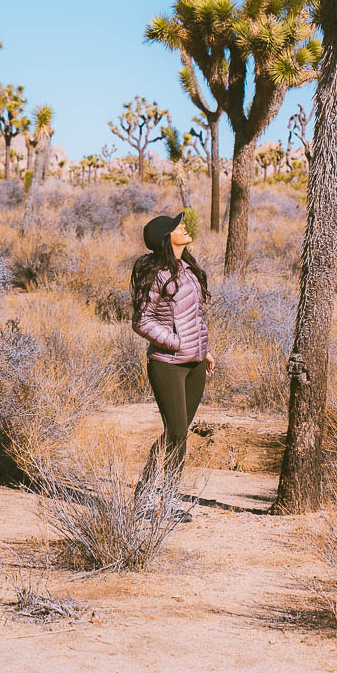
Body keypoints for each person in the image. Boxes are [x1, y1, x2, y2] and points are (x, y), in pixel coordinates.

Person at [131, 211, 214, 517]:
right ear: (167, 239)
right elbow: (141, 321)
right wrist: (176, 341)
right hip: (167, 363)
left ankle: (169, 500)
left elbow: (196, 317)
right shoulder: (156, 276)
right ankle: (145, 496)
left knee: (179, 433)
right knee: (176, 430)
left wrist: (203, 349)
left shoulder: (189, 269)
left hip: (194, 364)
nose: (184, 227)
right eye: (177, 227)